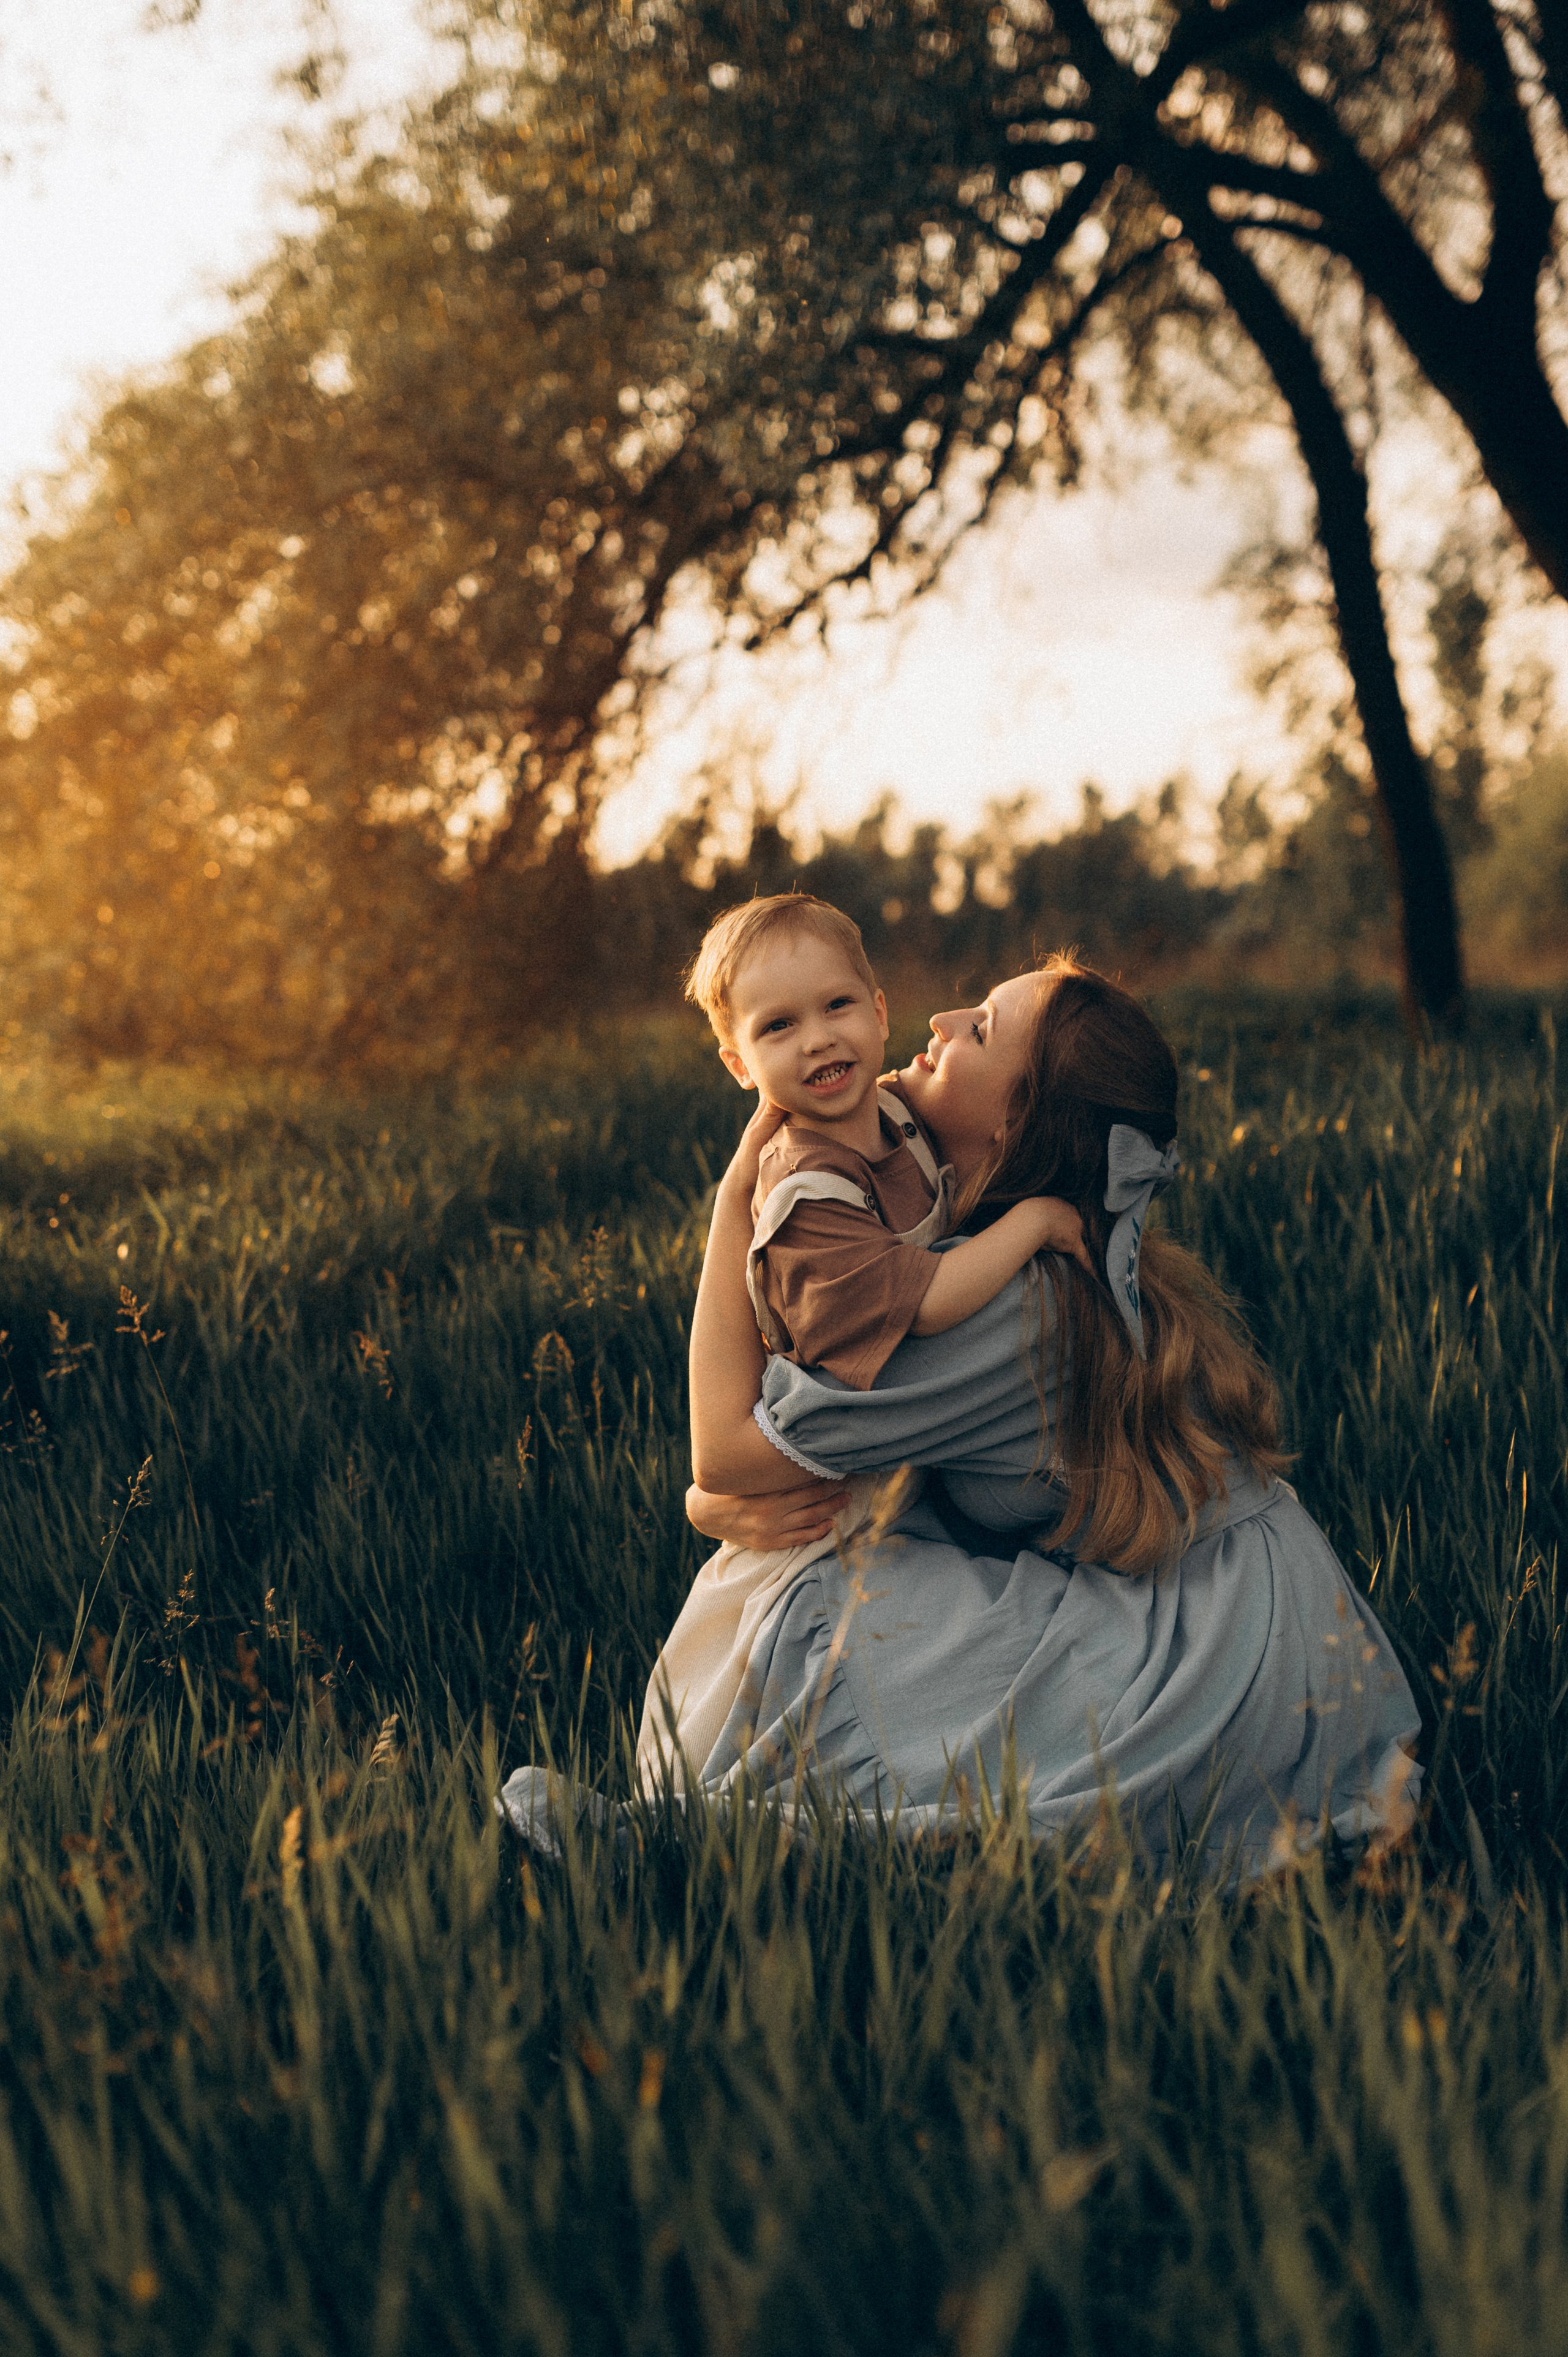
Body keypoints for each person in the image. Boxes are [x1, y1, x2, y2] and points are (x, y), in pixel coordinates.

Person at [633, 951, 1420, 1874]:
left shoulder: (1018, 1307)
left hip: (1215, 1663)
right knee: (815, 1555)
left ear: (1016, 1121)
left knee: (809, 1598)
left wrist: (736, 1203)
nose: (944, 1021)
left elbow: (727, 1454)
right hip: (1241, 1622)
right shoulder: (992, 1250)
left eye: (982, 1030)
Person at [683, 893, 1088, 1390]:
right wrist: (1038, 1220)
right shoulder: (805, 1190)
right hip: (839, 1443)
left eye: (837, 1005)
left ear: (878, 1014)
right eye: (778, 1026)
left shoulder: (895, 1108)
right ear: (741, 1066)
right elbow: (925, 1306)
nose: (817, 1040)